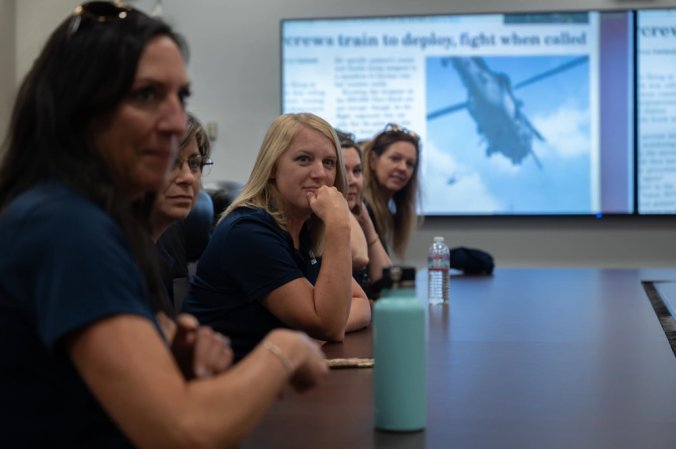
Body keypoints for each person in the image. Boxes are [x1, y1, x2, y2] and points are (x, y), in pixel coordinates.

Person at [0, 3, 326, 449]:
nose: (175, 122)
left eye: (180, 97)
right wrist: (285, 351)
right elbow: (184, 431)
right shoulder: (64, 226)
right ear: (78, 106)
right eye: (147, 95)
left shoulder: (92, 220)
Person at [182, 113, 372, 361]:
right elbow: (329, 325)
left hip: (273, 378)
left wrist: (312, 329)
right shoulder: (248, 232)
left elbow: (360, 302)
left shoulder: (305, 228)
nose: (320, 174)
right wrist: (339, 224)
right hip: (225, 385)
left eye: (329, 163)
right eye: (304, 160)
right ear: (272, 167)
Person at [151, 112, 214, 308]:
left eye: (194, 163)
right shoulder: (109, 251)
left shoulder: (165, 239)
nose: (188, 177)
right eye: (171, 162)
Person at [336, 130, 392, 298]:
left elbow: (389, 284)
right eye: (343, 171)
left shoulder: (362, 213)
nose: (352, 180)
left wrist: (368, 227)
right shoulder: (317, 222)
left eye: (357, 171)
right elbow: (360, 258)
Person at [362, 123, 421, 259]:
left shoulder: (385, 211)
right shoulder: (361, 209)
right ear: (373, 160)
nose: (403, 168)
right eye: (395, 159)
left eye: (410, 164)